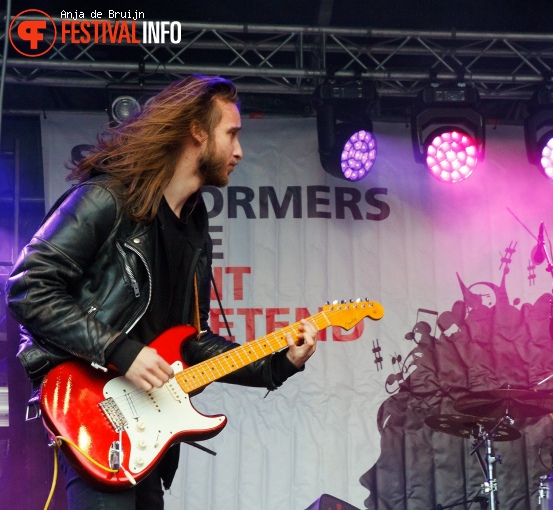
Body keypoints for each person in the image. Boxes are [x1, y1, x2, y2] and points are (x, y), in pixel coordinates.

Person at [5, 75, 318, 509]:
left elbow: (191, 339)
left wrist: (278, 364)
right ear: (197, 131)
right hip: (88, 412)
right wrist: (122, 350)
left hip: (144, 437)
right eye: (232, 134)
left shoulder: (193, 222)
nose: (239, 151)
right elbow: (28, 288)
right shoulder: (106, 197)